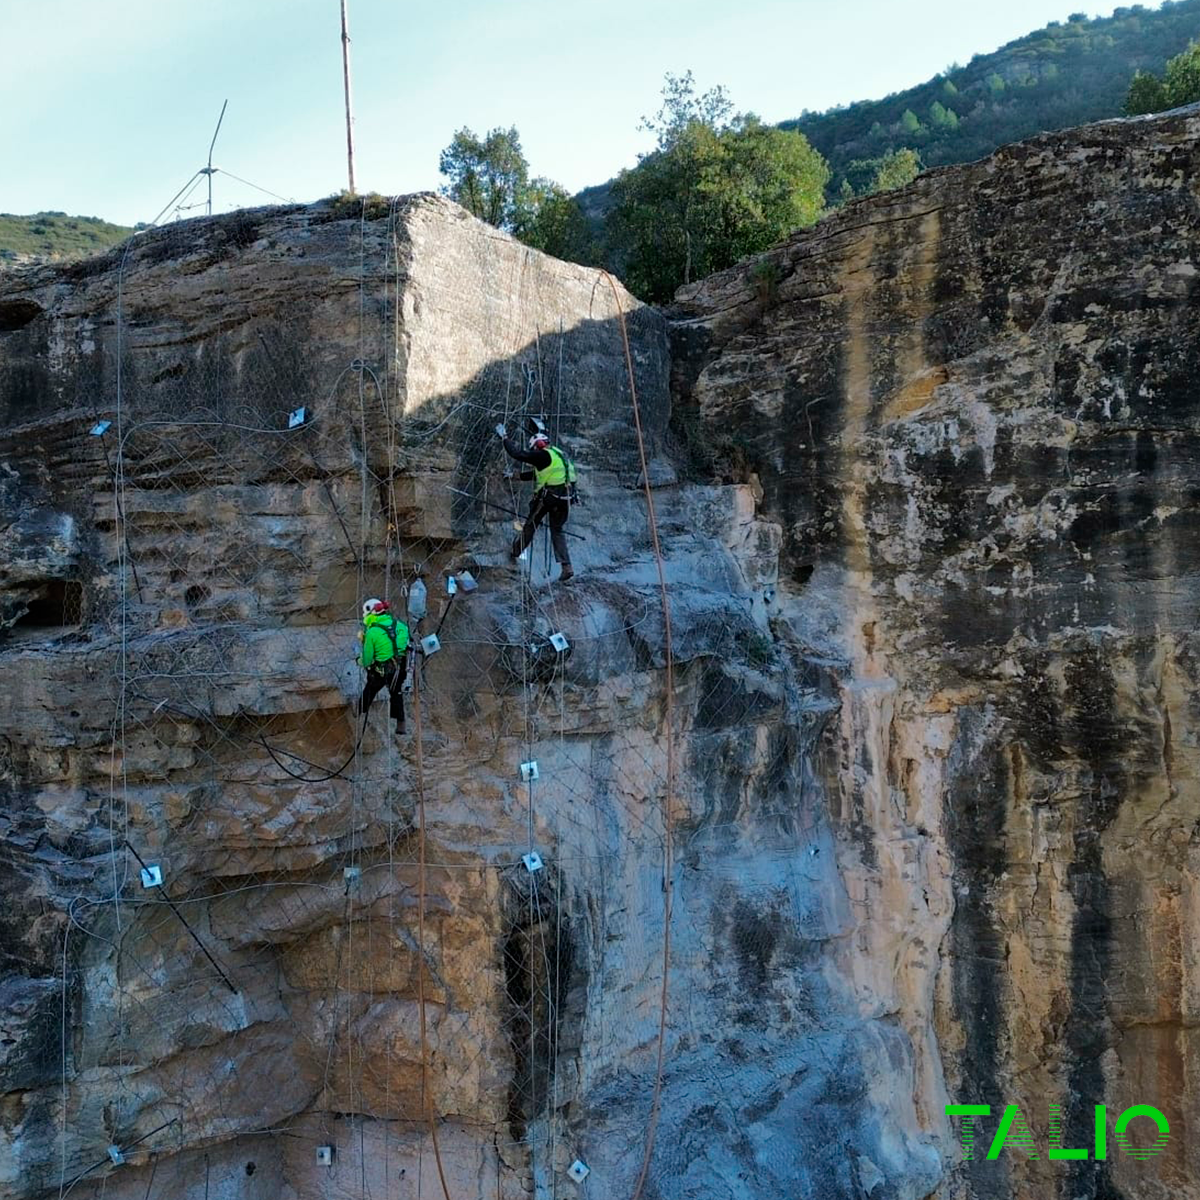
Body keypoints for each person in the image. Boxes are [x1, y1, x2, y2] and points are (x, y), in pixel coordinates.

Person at [495, 423, 577, 582]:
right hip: (566, 498)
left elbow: (518, 454)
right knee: (557, 530)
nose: (533, 453)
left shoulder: (542, 455)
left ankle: (516, 551)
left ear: (537, 446)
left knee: (530, 525)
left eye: (534, 449)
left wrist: (505, 438)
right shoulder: (559, 454)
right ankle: (567, 567)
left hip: (550, 497)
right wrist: (514, 476)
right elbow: (537, 474)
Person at [357, 598, 409, 734]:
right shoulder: (401, 626)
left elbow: (367, 660)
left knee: (371, 688)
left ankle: (359, 710)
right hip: (400, 668)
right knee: (396, 691)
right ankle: (400, 723)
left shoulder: (372, 632)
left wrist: (359, 660)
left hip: (381, 670)